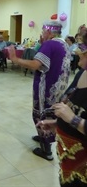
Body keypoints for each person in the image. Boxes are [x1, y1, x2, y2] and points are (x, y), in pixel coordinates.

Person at [8, 20, 71, 160]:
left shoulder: (50, 44)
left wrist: (15, 58)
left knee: (41, 113)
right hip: (58, 88)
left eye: (43, 31)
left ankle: (46, 149)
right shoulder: (64, 43)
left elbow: (36, 64)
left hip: (46, 87)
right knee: (52, 113)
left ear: (48, 32)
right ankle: (45, 139)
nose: (42, 34)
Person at [36, 35, 87, 187]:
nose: (79, 52)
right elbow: (77, 108)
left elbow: (75, 116)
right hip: (69, 162)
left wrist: (72, 119)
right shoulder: (82, 73)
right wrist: (58, 123)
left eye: (83, 47)